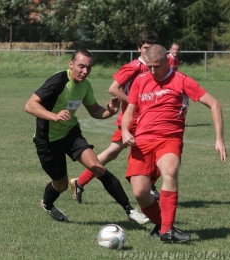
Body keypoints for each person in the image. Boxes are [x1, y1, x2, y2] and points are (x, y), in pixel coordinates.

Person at [25, 49, 147, 223]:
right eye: (81, 67)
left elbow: (95, 110)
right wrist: (54, 116)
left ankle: (129, 211)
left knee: (98, 167)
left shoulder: (85, 85)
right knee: (61, 185)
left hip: (71, 134)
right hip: (48, 141)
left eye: (89, 68)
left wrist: (110, 111)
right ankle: (47, 203)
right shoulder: (57, 82)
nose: (85, 71)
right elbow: (30, 105)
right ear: (71, 64)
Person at [121, 44, 227, 243]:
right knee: (140, 192)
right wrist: (126, 130)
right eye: (149, 66)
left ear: (167, 61)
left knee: (170, 171)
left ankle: (166, 232)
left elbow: (215, 104)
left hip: (169, 139)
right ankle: (163, 226)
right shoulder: (140, 81)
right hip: (142, 142)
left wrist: (219, 139)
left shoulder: (181, 80)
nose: (153, 71)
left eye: (157, 66)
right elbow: (130, 111)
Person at [69, 30, 159, 225]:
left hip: (145, 120)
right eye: (145, 48)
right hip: (132, 121)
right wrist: (137, 102)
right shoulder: (134, 67)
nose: (148, 51)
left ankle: (80, 182)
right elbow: (113, 88)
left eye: (152, 48)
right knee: (149, 151)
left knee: (112, 153)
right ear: (138, 48)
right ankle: (150, 186)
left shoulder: (153, 66)